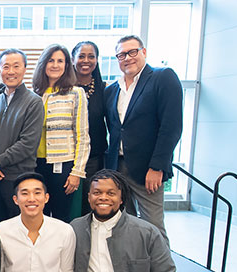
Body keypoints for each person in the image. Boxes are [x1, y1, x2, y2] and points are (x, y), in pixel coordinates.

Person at [105, 35, 183, 243]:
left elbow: (171, 127)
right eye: (121, 55)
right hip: (118, 168)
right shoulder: (112, 90)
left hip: (148, 169)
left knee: (153, 228)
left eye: (132, 52)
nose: (127, 58)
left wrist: (158, 166)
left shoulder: (162, 77)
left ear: (144, 52)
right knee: (123, 225)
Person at [0, 48, 44, 226]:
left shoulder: (34, 102)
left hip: (18, 179)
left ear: (25, 69)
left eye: (16, 66)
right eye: (6, 66)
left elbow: (28, 144)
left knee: (18, 229)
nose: (11, 71)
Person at [32, 44, 90, 223]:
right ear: (43, 64)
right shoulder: (35, 94)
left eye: (60, 61)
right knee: (38, 215)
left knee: (61, 216)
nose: (55, 65)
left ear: (67, 65)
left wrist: (77, 172)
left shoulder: (76, 93)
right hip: (35, 164)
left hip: (62, 165)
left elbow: (83, 136)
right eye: (51, 60)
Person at [72, 41, 108, 216]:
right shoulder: (64, 89)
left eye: (91, 56)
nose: (86, 60)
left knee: (90, 205)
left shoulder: (105, 89)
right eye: (81, 56)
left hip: (94, 159)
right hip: (67, 157)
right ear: (73, 59)